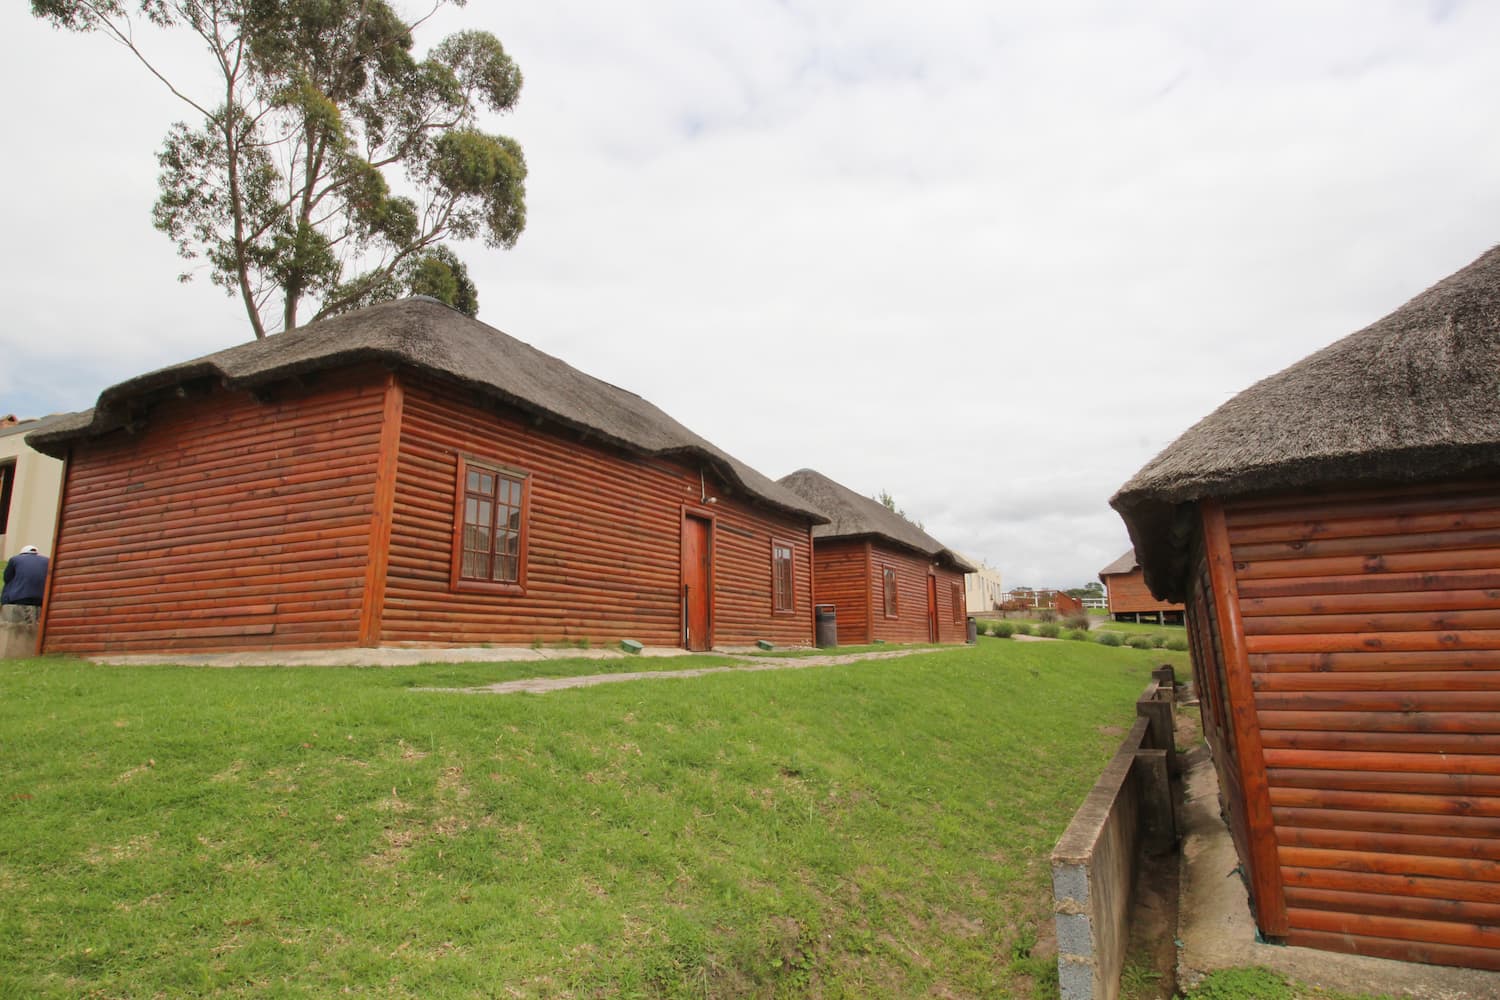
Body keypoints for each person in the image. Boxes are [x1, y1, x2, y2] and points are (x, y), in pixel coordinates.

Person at [2, 545, 49, 624]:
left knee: (8, 585)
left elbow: (7, 578)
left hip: (19, 598)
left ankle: (4, 606)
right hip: (42, 599)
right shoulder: (47, 561)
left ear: (22, 553)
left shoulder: (15, 559)